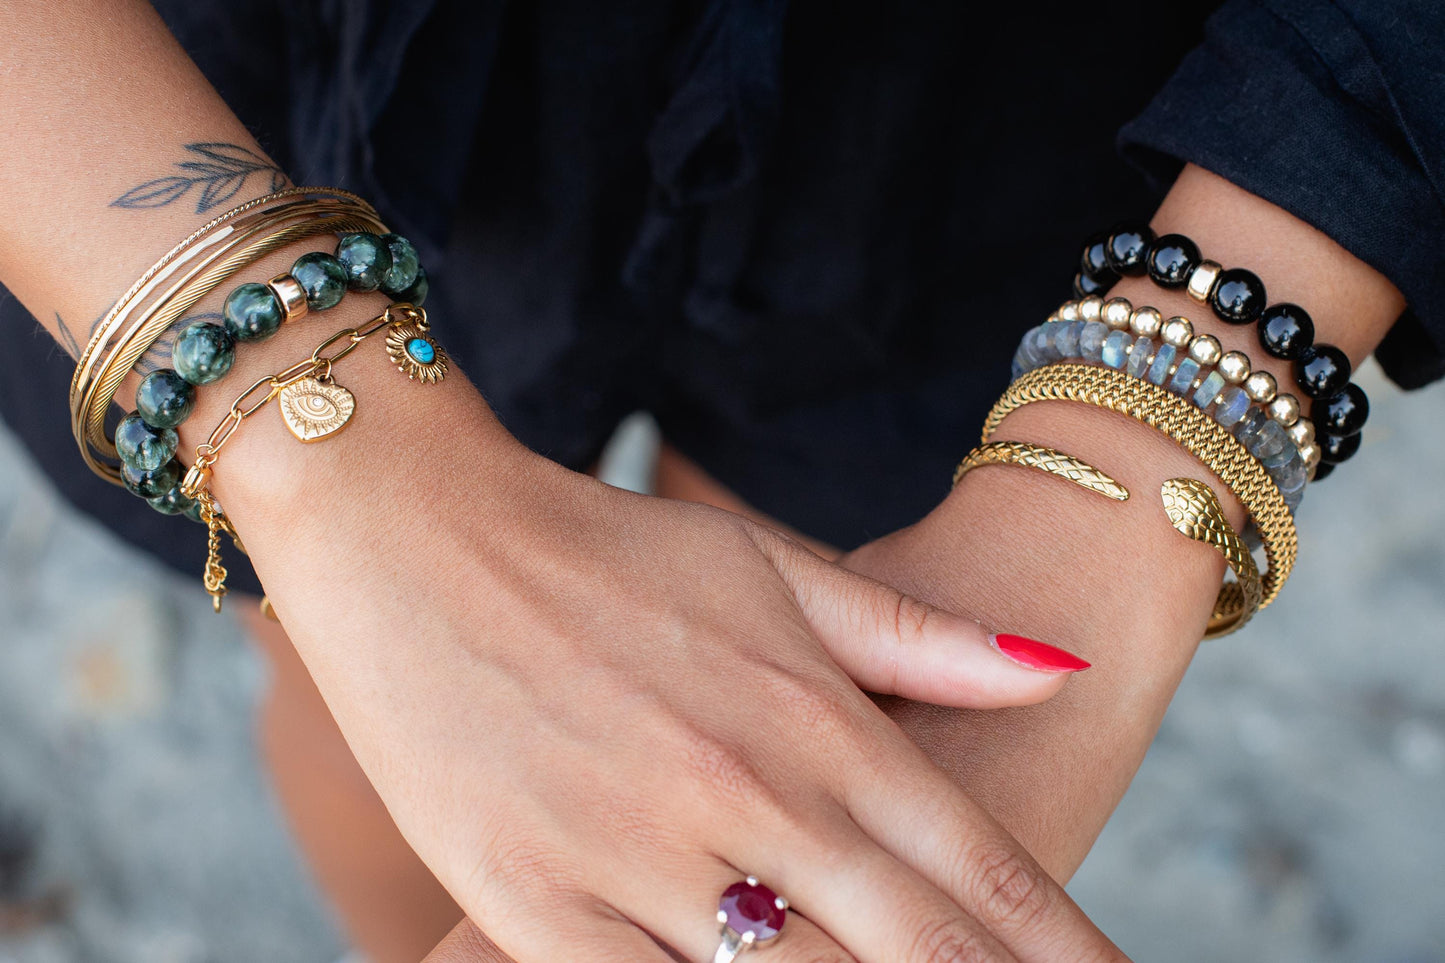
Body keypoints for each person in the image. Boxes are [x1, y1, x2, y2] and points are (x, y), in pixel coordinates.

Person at [0, 2, 1438, 961]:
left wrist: (1132, 458)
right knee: (363, 675)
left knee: (816, 670)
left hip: (984, 117)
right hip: (192, 96)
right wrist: (325, 454)